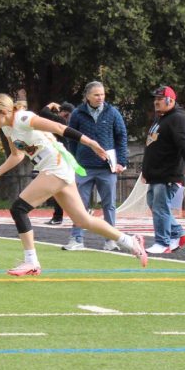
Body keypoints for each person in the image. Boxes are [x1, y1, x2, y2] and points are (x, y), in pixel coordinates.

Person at [0, 93, 146, 276]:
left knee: (18, 209)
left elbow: (60, 128)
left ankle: (31, 261)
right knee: (83, 220)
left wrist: (91, 143)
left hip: (56, 166)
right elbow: (17, 155)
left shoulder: (23, 119)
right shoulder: (8, 128)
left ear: (4, 112)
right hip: (54, 167)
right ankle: (130, 241)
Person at [63, 81, 128, 252]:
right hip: (83, 167)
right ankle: (76, 239)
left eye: (102, 94)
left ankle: (111, 240)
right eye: (96, 94)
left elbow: (121, 137)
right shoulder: (77, 114)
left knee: (109, 205)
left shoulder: (113, 113)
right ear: (87, 96)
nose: (100, 98)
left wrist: (121, 161)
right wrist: (74, 159)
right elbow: (71, 138)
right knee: (79, 204)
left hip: (107, 168)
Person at [141, 85, 185, 254]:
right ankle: (179, 234)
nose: (156, 102)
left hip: (167, 174)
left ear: (170, 100)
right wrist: (146, 171)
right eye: (155, 99)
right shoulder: (161, 119)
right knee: (154, 204)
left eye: (160, 99)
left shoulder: (177, 119)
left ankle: (162, 242)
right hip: (156, 174)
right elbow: (153, 147)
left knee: (160, 208)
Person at [41, 101, 75, 225]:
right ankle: (81, 211)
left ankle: (58, 216)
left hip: (62, 157)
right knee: (67, 187)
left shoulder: (61, 121)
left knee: (59, 188)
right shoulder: (73, 122)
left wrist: (51, 104)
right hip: (71, 156)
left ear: (64, 112)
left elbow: (44, 112)